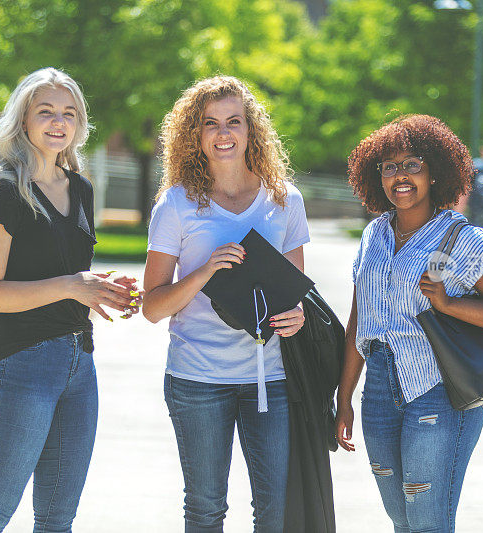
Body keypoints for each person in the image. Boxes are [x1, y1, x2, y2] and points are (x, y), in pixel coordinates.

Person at [0, 67, 141, 532]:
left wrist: (102, 289)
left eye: (69, 113)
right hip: (21, 367)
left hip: (80, 366)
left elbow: (67, 269)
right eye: (46, 112)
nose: (59, 122)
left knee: (58, 519)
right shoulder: (3, 190)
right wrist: (72, 285)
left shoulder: (80, 188)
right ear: (23, 120)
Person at [335, 115, 483, 533]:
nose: (400, 176)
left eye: (412, 164)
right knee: (401, 519)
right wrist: (343, 395)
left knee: (427, 522)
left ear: (435, 173)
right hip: (380, 393)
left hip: (439, 392)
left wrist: (447, 303)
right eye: (389, 166)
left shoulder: (466, 240)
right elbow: (357, 324)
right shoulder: (373, 236)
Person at [142, 75, 309, 533]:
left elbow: (297, 295)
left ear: (251, 129)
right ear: (194, 135)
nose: (223, 133)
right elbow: (153, 307)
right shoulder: (176, 205)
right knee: (205, 511)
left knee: (274, 514)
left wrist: (296, 317)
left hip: (269, 380)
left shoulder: (284, 200)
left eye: (234, 121)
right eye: (210, 123)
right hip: (197, 379)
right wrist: (205, 271)